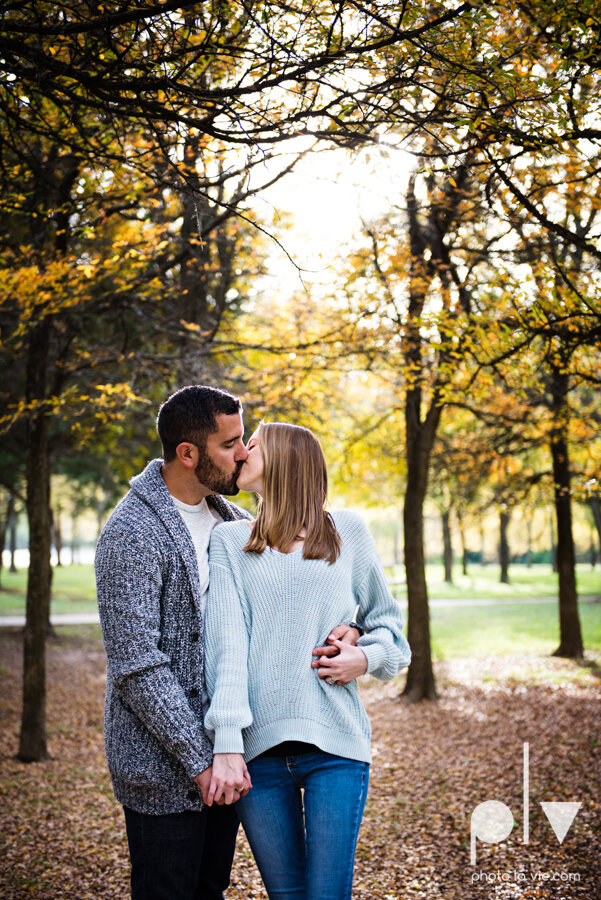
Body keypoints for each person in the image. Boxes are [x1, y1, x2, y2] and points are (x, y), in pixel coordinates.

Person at [95, 385, 359, 900]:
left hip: (232, 764)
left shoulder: (236, 524)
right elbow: (137, 666)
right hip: (165, 770)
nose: (243, 453)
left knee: (210, 890)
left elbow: (298, 602)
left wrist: (352, 631)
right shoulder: (132, 532)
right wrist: (203, 759)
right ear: (188, 454)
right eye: (230, 443)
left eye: (244, 439)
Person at [203, 422, 411, 900]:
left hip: (336, 749)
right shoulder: (230, 542)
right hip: (260, 756)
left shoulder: (348, 532)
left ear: (284, 460)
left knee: (326, 895)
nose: (240, 452)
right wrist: (228, 744)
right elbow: (227, 651)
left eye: (251, 443)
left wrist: (364, 657)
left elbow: (393, 632)